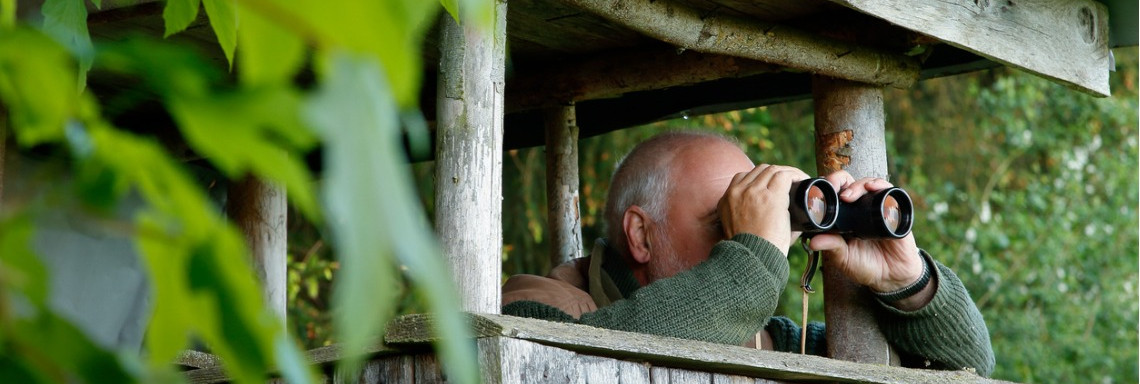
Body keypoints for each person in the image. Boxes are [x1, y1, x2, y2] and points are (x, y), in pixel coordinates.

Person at [500, 131, 995, 376]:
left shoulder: (766, 339)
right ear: (641, 235)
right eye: (726, 221)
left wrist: (908, 284)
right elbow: (574, 368)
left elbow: (967, 370)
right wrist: (754, 262)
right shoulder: (540, 307)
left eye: (757, 217)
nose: (751, 237)